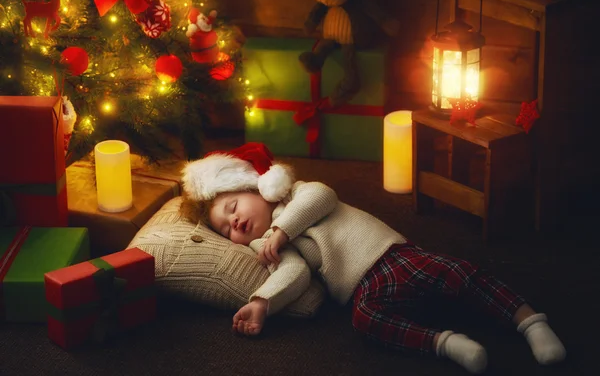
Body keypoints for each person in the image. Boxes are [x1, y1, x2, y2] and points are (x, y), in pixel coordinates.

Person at [180, 142, 566, 375]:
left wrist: (282, 230)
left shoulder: (298, 194)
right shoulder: (273, 246)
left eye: (232, 206)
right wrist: (263, 302)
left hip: (390, 256)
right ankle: (446, 344)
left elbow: (323, 197)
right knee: (366, 322)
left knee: (456, 274)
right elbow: (295, 273)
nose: (234, 222)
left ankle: (529, 322)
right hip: (364, 287)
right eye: (226, 228)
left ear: (256, 186)